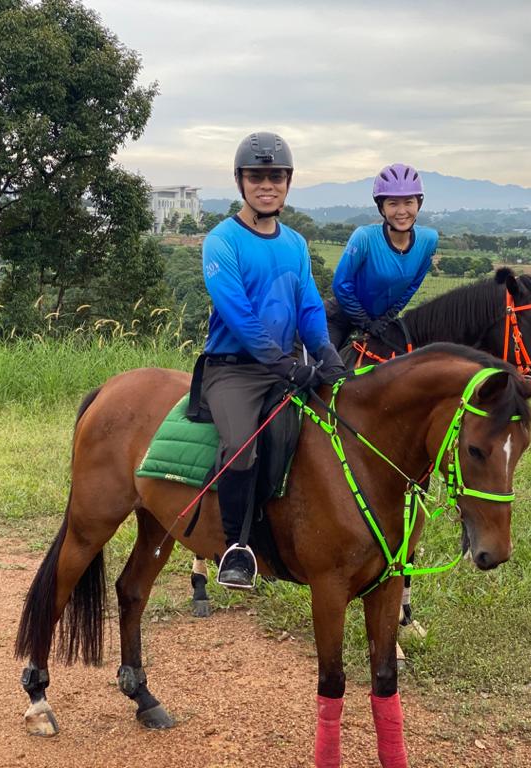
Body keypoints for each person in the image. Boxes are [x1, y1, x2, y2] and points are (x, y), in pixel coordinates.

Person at [200, 131, 345, 589]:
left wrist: (325, 351)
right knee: (241, 446)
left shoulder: (296, 244)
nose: (268, 184)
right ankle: (236, 548)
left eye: (276, 176)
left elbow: (308, 306)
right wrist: (281, 362)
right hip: (234, 370)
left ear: (288, 182)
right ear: (240, 182)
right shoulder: (221, 241)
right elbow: (237, 313)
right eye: (257, 176)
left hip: (287, 364)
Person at [326, 163, 438, 350]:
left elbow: (412, 285)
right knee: (320, 369)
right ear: (382, 208)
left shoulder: (429, 240)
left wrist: (388, 317)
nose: (402, 211)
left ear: (419, 203)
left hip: (382, 320)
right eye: (393, 203)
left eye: (409, 202)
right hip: (340, 316)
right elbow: (341, 285)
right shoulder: (364, 237)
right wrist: (366, 323)